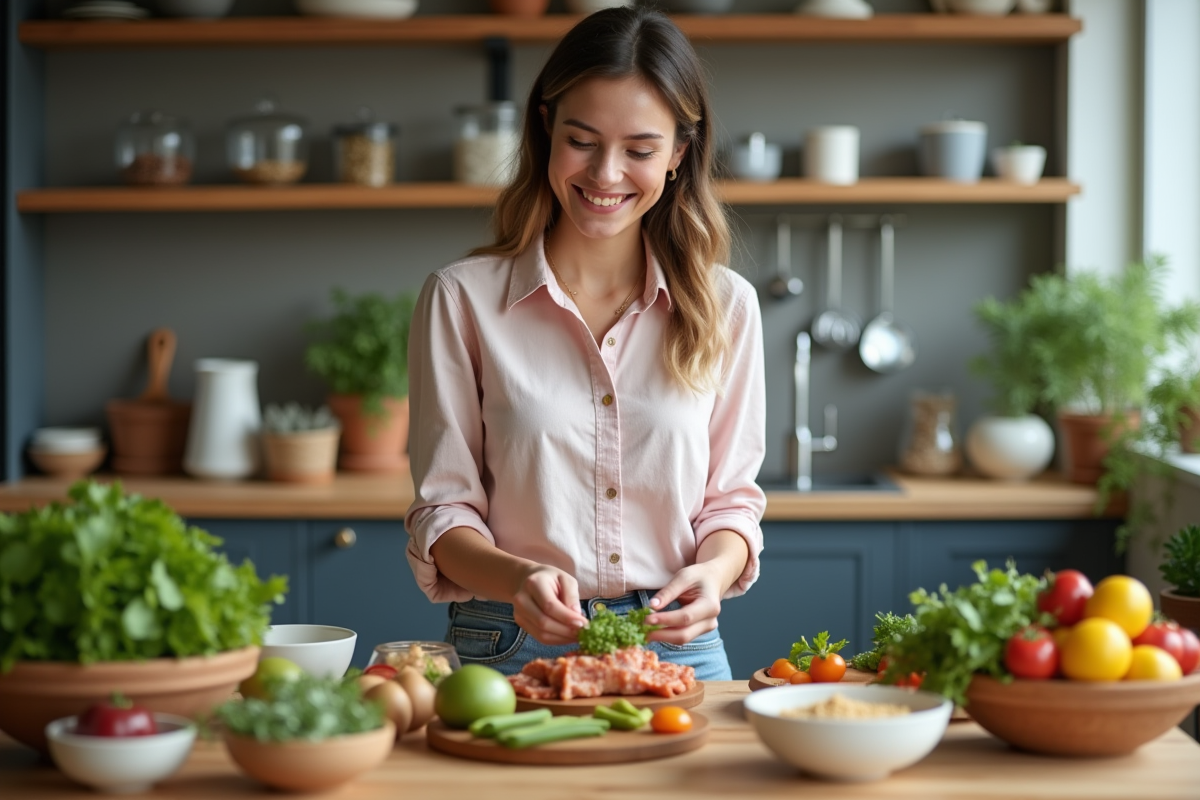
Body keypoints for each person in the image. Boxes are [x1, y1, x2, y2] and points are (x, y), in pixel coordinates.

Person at [403, 6, 766, 682]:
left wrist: (714, 575)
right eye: (582, 139)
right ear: (545, 127)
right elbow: (442, 513)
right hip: (507, 641)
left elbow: (732, 503)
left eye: (640, 149)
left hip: (675, 642)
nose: (605, 174)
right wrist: (518, 578)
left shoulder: (727, 307)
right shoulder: (461, 299)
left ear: (680, 154)